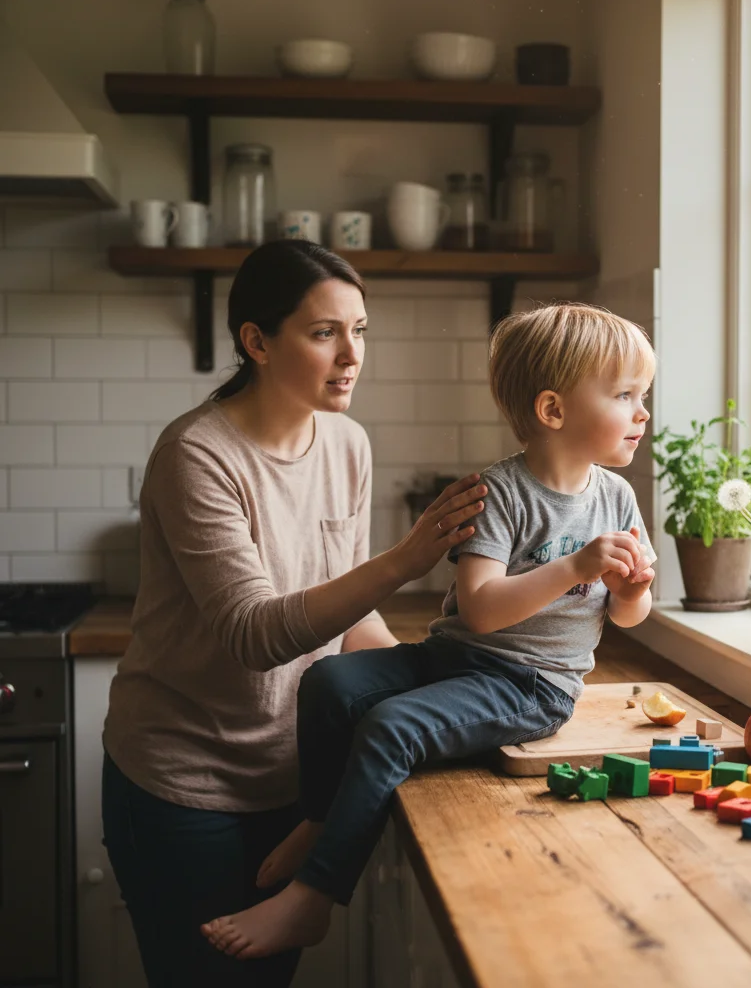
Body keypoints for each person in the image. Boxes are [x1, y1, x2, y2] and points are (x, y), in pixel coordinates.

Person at [200, 301, 658, 961]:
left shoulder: (616, 498)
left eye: (642, 396)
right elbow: (480, 609)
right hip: (457, 654)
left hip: (534, 687)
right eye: (625, 395)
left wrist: (632, 591)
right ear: (554, 411)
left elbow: (627, 615)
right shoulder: (498, 492)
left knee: (392, 728)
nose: (642, 412)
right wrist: (578, 566)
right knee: (329, 679)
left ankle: (314, 897)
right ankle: (322, 816)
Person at [101, 239, 487, 988]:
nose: (352, 355)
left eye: (360, 330)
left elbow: (351, 621)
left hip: (294, 783)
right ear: (257, 342)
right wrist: (406, 560)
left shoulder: (346, 443)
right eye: (324, 333)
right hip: (183, 790)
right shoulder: (196, 455)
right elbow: (255, 634)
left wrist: (445, 679)